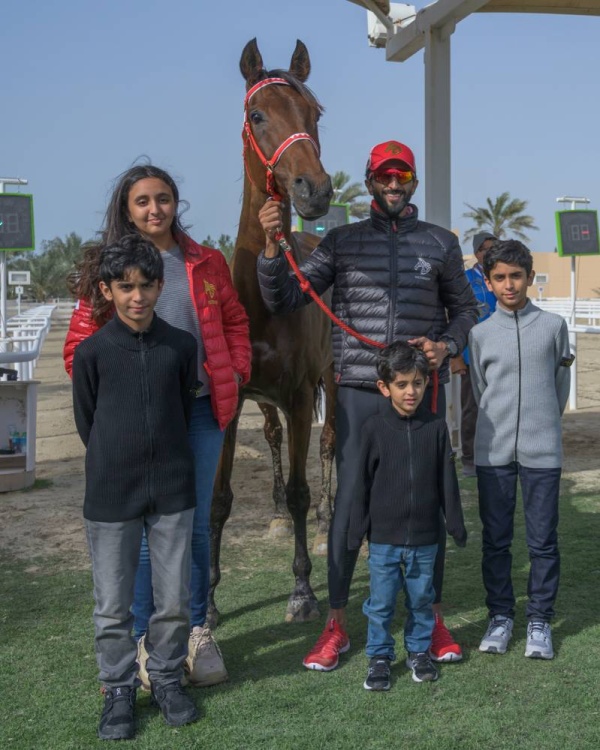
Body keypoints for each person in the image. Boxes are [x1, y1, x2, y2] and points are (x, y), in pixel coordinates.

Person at [257, 139, 478, 670]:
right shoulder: (340, 242)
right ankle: (336, 625)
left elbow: (466, 311)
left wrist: (446, 345)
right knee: (351, 505)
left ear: (414, 184)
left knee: (424, 501)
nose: (394, 185)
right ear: (370, 181)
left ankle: (434, 618)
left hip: (421, 390)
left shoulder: (442, 243)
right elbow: (284, 299)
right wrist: (271, 246)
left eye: (402, 176)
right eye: (384, 176)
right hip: (358, 391)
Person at [64, 164, 252, 688]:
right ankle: (149, 640)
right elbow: (79, 351)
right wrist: (114, 415)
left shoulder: (207, 262)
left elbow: (235, 320)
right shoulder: (110, 267)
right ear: (126, 207)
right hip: (136, 418)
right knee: (142, 532)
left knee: (188, 524)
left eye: (164, 198)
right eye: (143, 200)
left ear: (176, 203)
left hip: (196, 410)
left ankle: (195, 630)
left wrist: (234, 371)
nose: (155, 209)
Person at [72, 236, 199, 739]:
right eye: (125, 287)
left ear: (159, 286)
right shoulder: (91, 353)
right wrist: (117, 458)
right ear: (108, 289)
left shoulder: (181, 347)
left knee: (173, 601)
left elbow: (183, 413)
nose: (137, 296)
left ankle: (167, 679)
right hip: (110, 494)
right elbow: (89, 423)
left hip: (172, 489)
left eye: (146, 286)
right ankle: (119, 689)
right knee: (112, 607)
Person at [469, 239, 573, 660]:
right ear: (489, 283)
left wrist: (543, 424)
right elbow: (480, 390)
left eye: (516, 276)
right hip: (492, 454)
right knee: (495, 541)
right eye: (500, 278)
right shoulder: (478, 334)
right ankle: (500, 617)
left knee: (543, 541)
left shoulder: (553, 327)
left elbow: (560, 388)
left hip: (542, 451)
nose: (509, 285)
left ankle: (539, 620)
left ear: (529, 278)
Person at [348, 342, 467, 691]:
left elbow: (448, 480)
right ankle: (380, 658)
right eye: (401, 384)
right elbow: (360, 486)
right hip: (384, 539)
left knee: (421, 600)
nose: (410, 391)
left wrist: (455, 523)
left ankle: (418, 653)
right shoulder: (372, 429)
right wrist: (357, 532)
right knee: (381, 604)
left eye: (417, 382)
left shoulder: (436, 428)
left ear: (427, 383)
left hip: (425, 539)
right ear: (384, 387)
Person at [451, 231, 497, 477]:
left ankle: (499, 456)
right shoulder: (465, 279)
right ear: (477, 252)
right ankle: (470, 458)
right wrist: (456, 356)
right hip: (471, 356)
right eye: (485, 248)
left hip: (502, 355)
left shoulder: (503, 277)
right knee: (472, 409)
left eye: (494, 248)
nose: (489, 253)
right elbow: (453, 316)